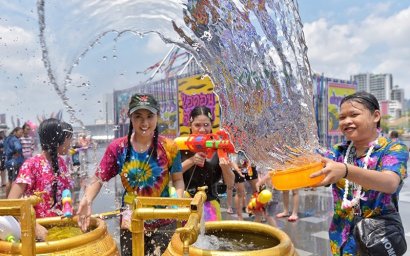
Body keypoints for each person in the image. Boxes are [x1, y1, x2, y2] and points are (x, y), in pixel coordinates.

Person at [77, 93, 185, 256]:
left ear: (157, 116)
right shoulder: (118, 148)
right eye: (138, 116)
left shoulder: (169, 147)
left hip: (164, 221)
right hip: (131, 220)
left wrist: (176, 201)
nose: (145, 123)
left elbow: (178, 181)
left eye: (150, 116)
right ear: (130, 118)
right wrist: (87, 199)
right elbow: (99, 178)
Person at [310, 91, 408, 255]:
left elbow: (389, 183)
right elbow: (315, 166)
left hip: (377, 239)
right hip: (341, 237)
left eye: (354, 114)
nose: (347, 121)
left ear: (375, 116)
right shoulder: (338, 152)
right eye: (342, 117)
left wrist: (345, 170)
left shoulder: (393, 149)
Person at [7, 118, 74, 241]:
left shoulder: (62, 163)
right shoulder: (31, 164)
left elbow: (65, 194)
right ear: (56, 139)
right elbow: (11, 203)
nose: (70, 142)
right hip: (38, 235)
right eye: (67, 138)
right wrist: (34, 225)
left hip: (61, 228)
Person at [180, 106, 234, 222]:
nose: (202, 130)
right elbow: (172, 175)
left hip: (211, 204)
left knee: (212, 239)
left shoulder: (219, 147)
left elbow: (230, 184)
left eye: (206, 125)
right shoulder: (181, 146)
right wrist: (191, 161)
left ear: (211, 125)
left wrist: (225, 168)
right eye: (197, 125)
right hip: (185, 202)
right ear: (190, 125)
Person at [3, 127, 24, 196]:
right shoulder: (15, 139)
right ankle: (13, 197)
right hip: (15, 161)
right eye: (20, 132)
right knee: (15, 180)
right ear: (15, 131)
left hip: (8, 161)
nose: (21, 134)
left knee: (9, 179)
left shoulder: (7, 138)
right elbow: (18, 148)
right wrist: (17, 153)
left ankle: (7, 197)